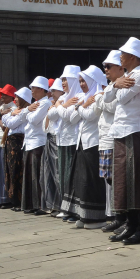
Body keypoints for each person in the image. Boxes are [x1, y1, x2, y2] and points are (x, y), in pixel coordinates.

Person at [106, 37, 140, 244]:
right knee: (123, 181)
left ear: (133, 56)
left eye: (123, 54)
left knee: (135, 180)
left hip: (135, 131)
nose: (120, 58)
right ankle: (130, 224)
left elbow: (122, 98)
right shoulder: (124, 77)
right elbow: (107, 97)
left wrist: (116, 87)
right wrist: (116, 84)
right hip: (120, 132)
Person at [63, 66, 109, 228]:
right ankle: (84, 215)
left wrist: (78, 107)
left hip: (94, 142)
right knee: (83, 180)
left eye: (84, 80)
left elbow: (90, 115)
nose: (82, 84)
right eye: (80, 81)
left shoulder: (98, 95)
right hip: (82, 142)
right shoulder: (84, 98)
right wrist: (81, 106)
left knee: (93, 181)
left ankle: (97, 218)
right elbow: (73, 118)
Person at [18, 76, 52, 214]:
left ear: (42, 89)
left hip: (38, 142)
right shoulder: (35, 104)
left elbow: (34, 120)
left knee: (37, 175)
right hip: (29, 142)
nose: (32, 91)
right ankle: (31, 204)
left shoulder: (45, 103)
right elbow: (21, 117)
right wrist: (27, 110)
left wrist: (27, 112)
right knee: (29, 175)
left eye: (34, 88)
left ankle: (40, 205)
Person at [99, 51, 125, 232]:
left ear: (120, 67)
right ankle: (116, 216)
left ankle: (121, 217)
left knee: (118, 179)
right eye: (104, 67)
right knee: (110, 180)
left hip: (115, 136)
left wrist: (102, 100)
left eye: (109, 66)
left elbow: (114, 106)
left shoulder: (124, 83)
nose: (105, 70)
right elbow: (103, 102)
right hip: (105, 137)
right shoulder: (111, 85)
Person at [54, 66, 82, 221]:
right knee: (64, 176)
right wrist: (62, 105)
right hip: (62, 139)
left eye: (66, 79)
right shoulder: (64, 98)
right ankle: (66, 208)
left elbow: (66, 117)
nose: (63, 82)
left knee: (72, 176)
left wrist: (59, 106)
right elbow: (52, 114)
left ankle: (74, 210)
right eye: (62, 79)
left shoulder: (78, 96)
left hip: (73, 139)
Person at [3, 87, 30, 211]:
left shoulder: (26, 111)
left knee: (17, 170)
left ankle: (19, 200)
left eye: (18, 98)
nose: (15, 100)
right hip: (11, 143)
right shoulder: (16, 111)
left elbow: (11, 124)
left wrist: (10, 116)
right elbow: (5, 119)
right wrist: (10, 114)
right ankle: (13, 199)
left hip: (18, 143)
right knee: (10, 170)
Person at [40, 78, 64, 214]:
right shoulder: (52, 105)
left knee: (58, 173)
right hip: (49, 140)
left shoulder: (64, 103)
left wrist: (54, 109)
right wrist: (51, 110)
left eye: (54, 90)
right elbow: (45, 127)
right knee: (48, 173)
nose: (52, 93)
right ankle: (53, 204)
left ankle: (61, 204)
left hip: (57, 139)